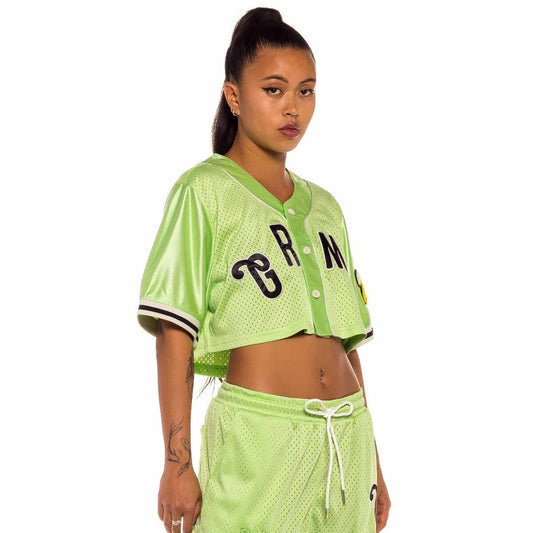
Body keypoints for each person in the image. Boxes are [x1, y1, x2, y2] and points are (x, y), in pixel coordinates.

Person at [136, 7, 391, 533]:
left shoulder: (326, 208)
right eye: (274, 90)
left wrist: (375, 464)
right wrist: (177, 465)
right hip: (260, 440)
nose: (292, 107)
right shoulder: (203, 192)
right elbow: (174, 332)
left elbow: (345, 344)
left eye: (306, 91)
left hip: (347, 441)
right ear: (234, 96)